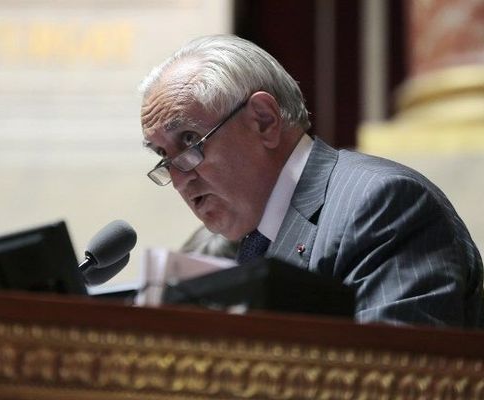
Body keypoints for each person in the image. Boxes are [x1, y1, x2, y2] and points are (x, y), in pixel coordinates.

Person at [138, 34, 483, 327]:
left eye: (188, 140)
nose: (180, 178)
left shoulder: (382, 207)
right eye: (163, 156)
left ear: (263, 121)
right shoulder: (208, 250)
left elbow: (397, 380)